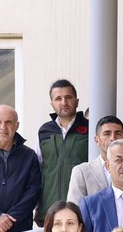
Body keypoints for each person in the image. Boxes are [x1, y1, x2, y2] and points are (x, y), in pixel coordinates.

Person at [38, 79, 89, 215]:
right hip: (50, 208)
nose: (64, 102)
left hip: (81, 208)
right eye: (58, 99)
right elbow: (39, 170)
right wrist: (38, 207)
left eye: (68, 97)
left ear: (77, 101)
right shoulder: (44, 131)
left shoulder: (90, 129)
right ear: (52, 104)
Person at [67, 115, 123, 204]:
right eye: (107, 134)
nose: (113, 138)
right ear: (97, 140)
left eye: (118, 133)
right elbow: (74, 208)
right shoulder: (82, 172)